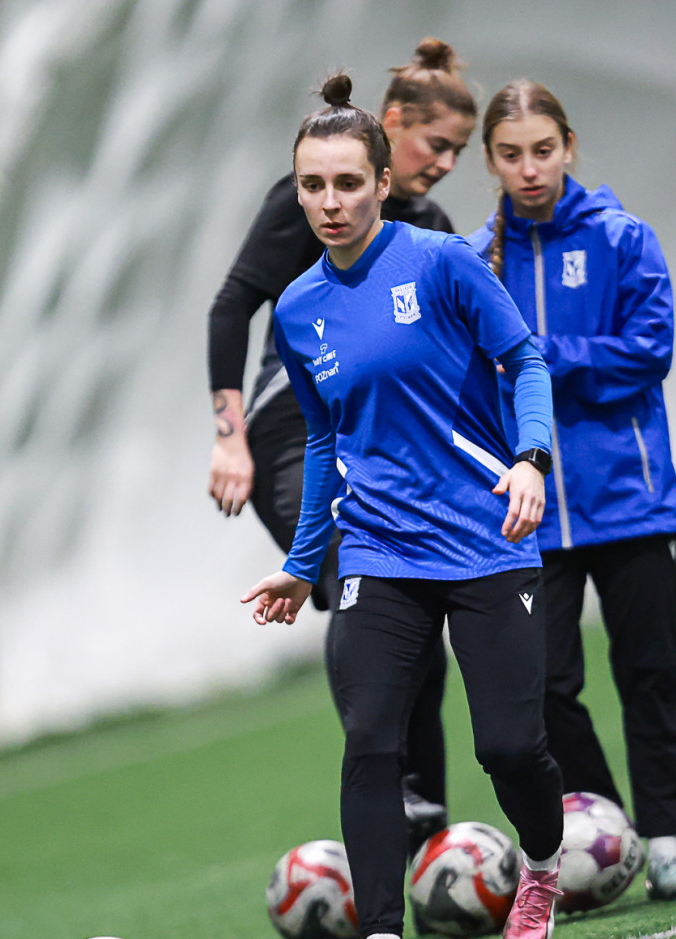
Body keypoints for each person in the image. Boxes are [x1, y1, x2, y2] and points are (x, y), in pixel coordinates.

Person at [243, 75, 566, 939]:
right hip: (378, 549)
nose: (330, 202)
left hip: (485, 534)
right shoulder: (297, 309)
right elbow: (325, 441)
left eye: (348, 183)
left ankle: (542, 866)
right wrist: (302, 565)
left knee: (509, 748)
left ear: (383, 183)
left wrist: (532, 460)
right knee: (370, 740)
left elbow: (524, 360)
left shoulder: (442, 263)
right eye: (313, 185)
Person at [208, 40, 478, 851]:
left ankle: (424, 811)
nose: (446, 164)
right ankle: (384, 783)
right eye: (436, 144)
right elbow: (232, 304)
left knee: (416, 613)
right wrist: (228, 439)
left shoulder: (432, 231)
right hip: (291, 433)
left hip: (386, 444)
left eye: (460, 151)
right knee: (361, 585)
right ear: (391, 127)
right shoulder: (312, 199)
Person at [468, 82, 676, 898]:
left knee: (650, 675)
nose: (529, 169)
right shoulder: (473, 261)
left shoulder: (621, 238)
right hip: (527, 516)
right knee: (543, 690)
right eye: (511, 154)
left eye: (543, 150)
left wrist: (538, 355)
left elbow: (649, 351)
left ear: (568, 146)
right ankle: (608, 830)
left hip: (633, 500)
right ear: (489, 161)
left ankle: (669, 839)